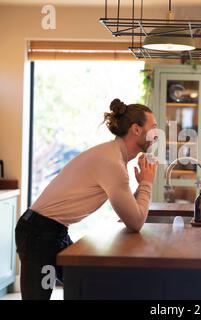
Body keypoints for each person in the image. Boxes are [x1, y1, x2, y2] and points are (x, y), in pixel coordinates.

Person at [15, 98, 158, 300]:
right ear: (136, 129)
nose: (157, 134)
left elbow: (132, 212)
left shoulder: (113, 156)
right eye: (153, 128)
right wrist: (147, 183)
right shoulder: (112, 163)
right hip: (38, 233)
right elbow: (135, 222)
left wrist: (143, 182)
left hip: (52, 230)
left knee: (87, 285)